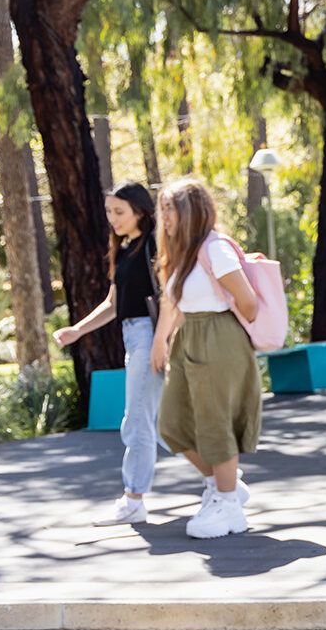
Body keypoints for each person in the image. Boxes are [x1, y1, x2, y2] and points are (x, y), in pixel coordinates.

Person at [150, 179, 263, 540]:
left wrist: (221, 328)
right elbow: (177, 304)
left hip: (218, 336)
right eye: (163, 208)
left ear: (191, 211)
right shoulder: (181, 253)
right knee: (171, 423)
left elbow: (248, 303)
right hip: (189, 337)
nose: (164, 216)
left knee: (215, 422)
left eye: (171, 208)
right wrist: (165, 340)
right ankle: (223, 486)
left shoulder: (214, 249)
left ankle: (228, 504)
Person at [53, 182, 166, 526]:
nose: (112, 219)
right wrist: (78, 330)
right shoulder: (125, 248)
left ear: (140, 211)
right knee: (158, 424)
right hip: (133, 336)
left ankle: (134, 498)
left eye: (119, 212)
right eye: (108, 212)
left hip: (151, 334)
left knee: (136, 420)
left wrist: (161, 341)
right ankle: (222, 482)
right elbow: (113, 304)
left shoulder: (153, 245)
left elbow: (172, 294)